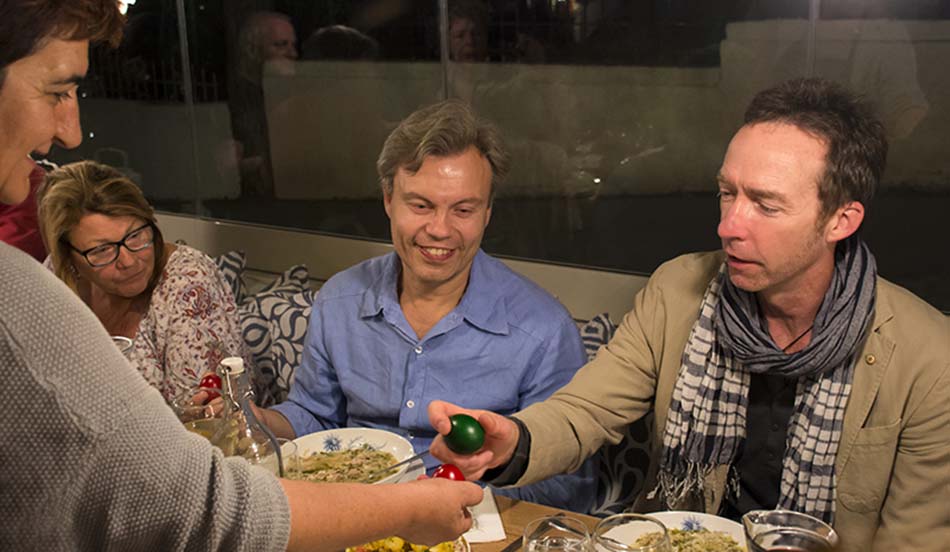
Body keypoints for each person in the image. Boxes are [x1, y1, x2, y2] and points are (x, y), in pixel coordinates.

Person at [0, 1, 482, 550]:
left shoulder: (174, 280)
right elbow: (197, 503)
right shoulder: (21, 295)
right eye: (57, 90)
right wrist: (405, 510)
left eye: (463, 209)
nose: (70, 132)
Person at [429, 78, 950, 551]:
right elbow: (586, 411)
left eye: (766, 205)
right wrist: (511, 442)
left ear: (841, 219)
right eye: (727, 193)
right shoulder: (677, 290)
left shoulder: (929, 359)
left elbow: (914, 540)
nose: (729, 226)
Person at [252, 99, 597, 513]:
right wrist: (258, 422)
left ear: (487, 213)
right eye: (421, 205)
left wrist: (467, 495)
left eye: (463, 210)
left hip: (473, 523)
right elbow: (316, 417)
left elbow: (566, 486)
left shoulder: (544, 330)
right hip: (353, 515)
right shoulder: (340, 300)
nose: (439, 230)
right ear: (388, 200)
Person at [36, 160, 250, 402]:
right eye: (102, 250)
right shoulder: (56, 276)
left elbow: (199, 412)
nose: (128, 261)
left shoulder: (188, 284)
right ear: (68, 257)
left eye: (135, 235)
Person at [229, 11, 298, 198]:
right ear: (253, 50)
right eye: (281, 45)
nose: (293, 54)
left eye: (293, 45)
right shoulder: (238, 102)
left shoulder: (288, 95)